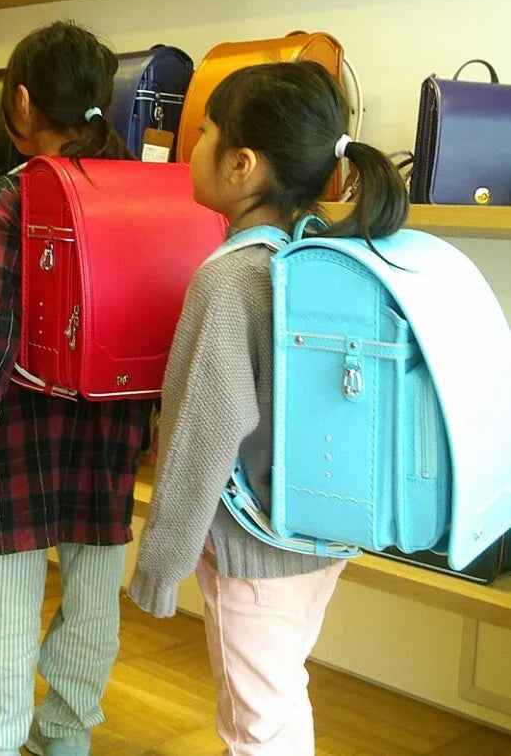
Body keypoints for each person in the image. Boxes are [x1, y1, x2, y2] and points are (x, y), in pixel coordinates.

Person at [129, 61, 409, 756]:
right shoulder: (317, 254)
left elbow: (201, 435)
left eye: (204, 135)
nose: (190, 148)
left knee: (254, 725)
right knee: (280, 695)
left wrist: (159, 563)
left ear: (242, 164)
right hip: (321, 531)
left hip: (251, 549)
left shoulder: (228, 281)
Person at [0, 22, 151, 756]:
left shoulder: (16, 194)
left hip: (19, 421)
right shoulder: (144, 187)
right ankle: (65, 733)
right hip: (114, 425)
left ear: (21, 101)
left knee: (9, 588)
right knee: (95, 588)